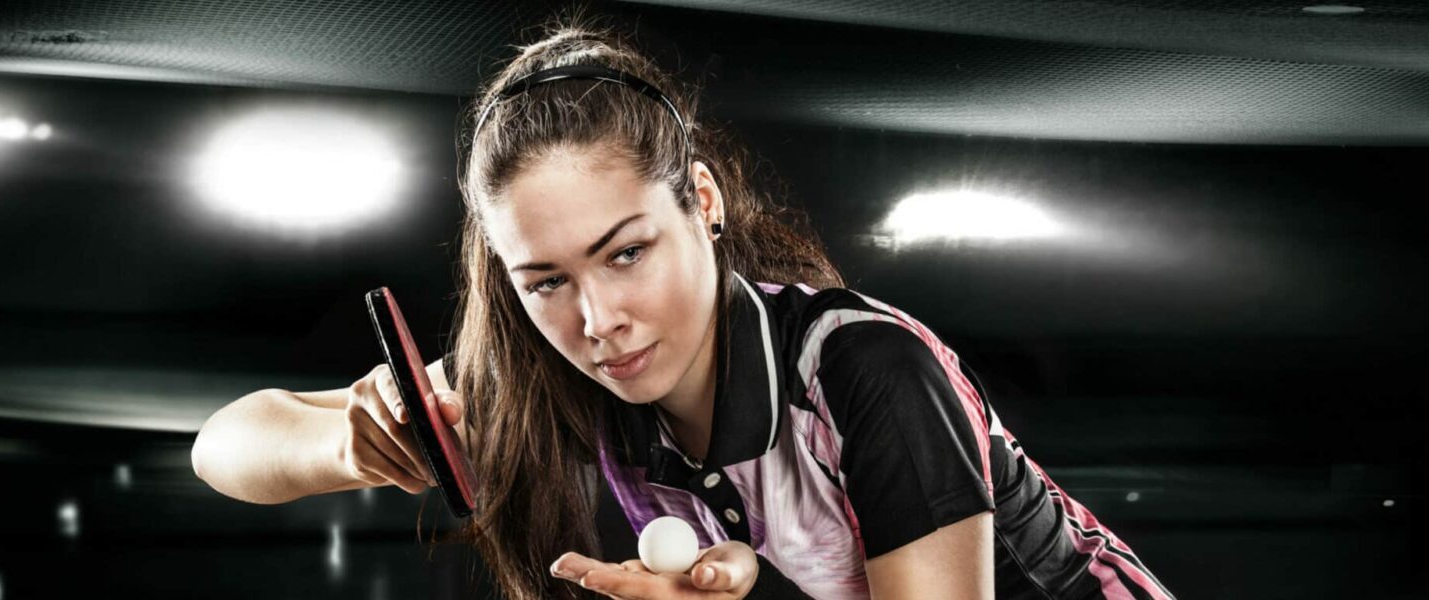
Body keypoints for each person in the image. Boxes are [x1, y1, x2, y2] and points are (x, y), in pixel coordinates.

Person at [192, 13, 1174, 600]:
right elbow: (226, 446)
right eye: (545, 281)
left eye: (625, 253)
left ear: (699, 203)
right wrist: (349, 446)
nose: (597, 318)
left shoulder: (867, 370)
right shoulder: (551, 380)